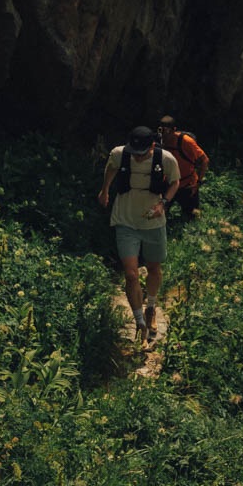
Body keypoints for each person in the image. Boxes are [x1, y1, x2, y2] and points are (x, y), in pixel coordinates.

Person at [98, 126, 180, 338]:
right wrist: (105, 189)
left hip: (153, 222)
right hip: (125, 219)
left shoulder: (166, 159)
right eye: (134, 153)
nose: (138, 157)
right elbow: (111, 168)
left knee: (154, 267)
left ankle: (151, 307)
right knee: (131, 274)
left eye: (141, 153)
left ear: (152, 146)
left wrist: (162, 204)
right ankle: (139, 320)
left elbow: (175, 182)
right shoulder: (119, 154)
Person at [157, 115, 209, 218]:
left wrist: (198, 182)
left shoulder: (186, 142)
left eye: (167, 132)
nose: (164, 136)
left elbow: (204, 160)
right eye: (161, 132)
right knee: (160, 216)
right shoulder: (158, 141)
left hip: (187, 185)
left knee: (192, 216)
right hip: (168, 185)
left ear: (174, 130)